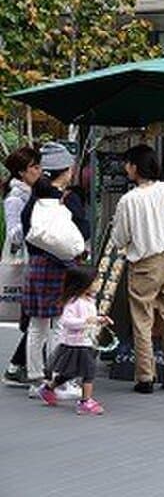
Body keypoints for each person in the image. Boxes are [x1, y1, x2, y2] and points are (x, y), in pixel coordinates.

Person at [111, 145, 164, 394]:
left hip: (144, 265)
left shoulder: (129, 200)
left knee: (142, 321)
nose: (126, 168)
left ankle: (145, 378)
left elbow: (119, 238)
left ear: (135, 167)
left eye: (127, 164)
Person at [21, 142, 89, 399]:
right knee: (62, 324)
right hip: (61, 266)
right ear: (67, 170)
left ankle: (36, 379)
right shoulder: (66, 199)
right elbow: (83, 232)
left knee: (38, 326)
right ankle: (60, 379)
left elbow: (28, 232)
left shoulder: (34, 198)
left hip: (37, 264)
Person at [35, 266, 111, 415]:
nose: (98, 284)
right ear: (83, 284)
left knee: (70, 373)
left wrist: (100, 320)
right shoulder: (74, 302)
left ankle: (48, 388)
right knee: (89, 372)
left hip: (86, 342)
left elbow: (91, 319)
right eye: (95, 281)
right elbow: (67, 321)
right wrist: (86, 321)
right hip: (76, 344)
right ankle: (85, 402)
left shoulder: (89, 300)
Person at [2, 146, 41, 386]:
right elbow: (15, 233)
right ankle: (17, 366)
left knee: (36, 319)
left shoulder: (32, 192)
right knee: (36, 319)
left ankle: (18, 365)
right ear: (21, 172)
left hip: (33, 259)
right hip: (26, 261)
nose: (39, 171)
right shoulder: (16, 198)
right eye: (34, 167)